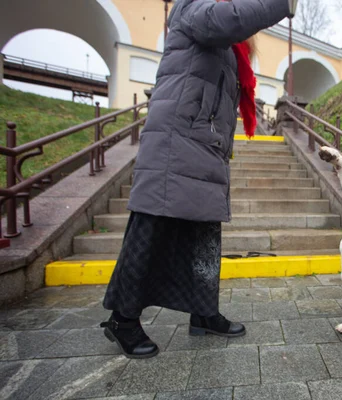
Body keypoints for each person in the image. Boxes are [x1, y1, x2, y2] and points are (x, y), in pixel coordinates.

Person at [101, 0, 292, 359]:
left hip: (204, 146)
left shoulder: (227, 45)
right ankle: (122, 319)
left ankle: (203, 313)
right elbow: (228, 20)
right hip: (176, 141)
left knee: (205, 236)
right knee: (151, 228)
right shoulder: (193, 8)